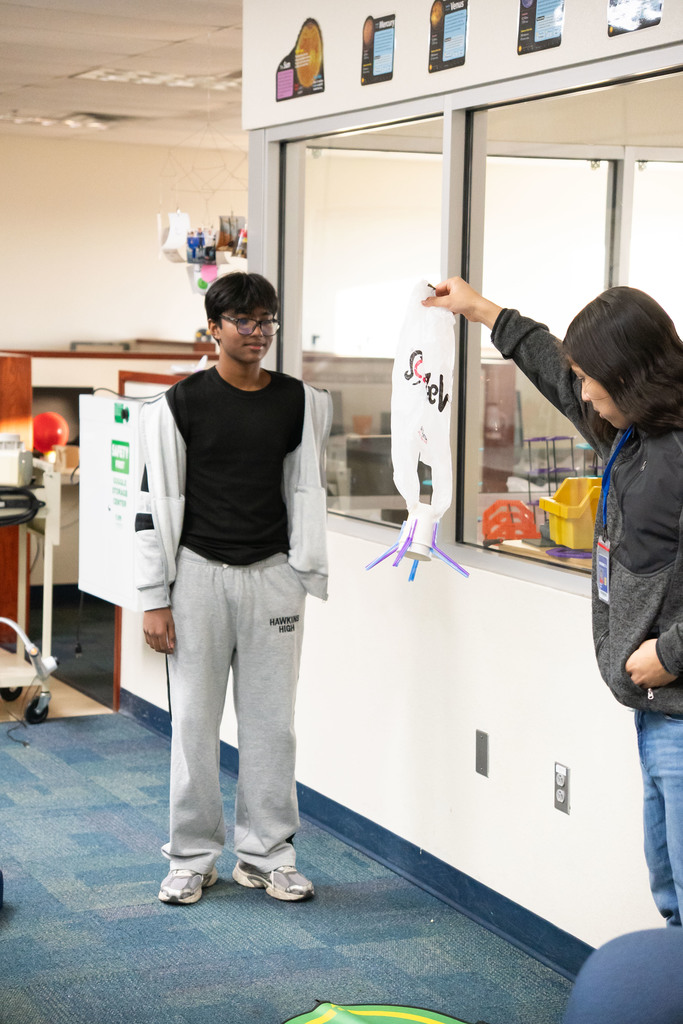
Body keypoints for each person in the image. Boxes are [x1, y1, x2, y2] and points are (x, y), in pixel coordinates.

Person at [424, 278, 683, 925]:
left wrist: (671, 655)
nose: (584, 393)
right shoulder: (627, 435)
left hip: (675, 705)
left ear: (629, 375)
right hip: (654, 711)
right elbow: (553, 373)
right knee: (671, 899)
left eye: (592, 379)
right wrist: (481, 311)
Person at [135, 271, 332, 905]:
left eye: (267, 320)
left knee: (273, 727)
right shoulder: (180, 405)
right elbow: (150, 504)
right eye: (244, 321)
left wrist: (302, 571)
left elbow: (305, 488)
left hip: (274, 576)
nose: (258, 332)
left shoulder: (300, 401)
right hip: (197, 575)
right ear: (214, 328)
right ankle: (192, 857)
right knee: (194, 723)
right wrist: (154, 598)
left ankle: (266, 854)